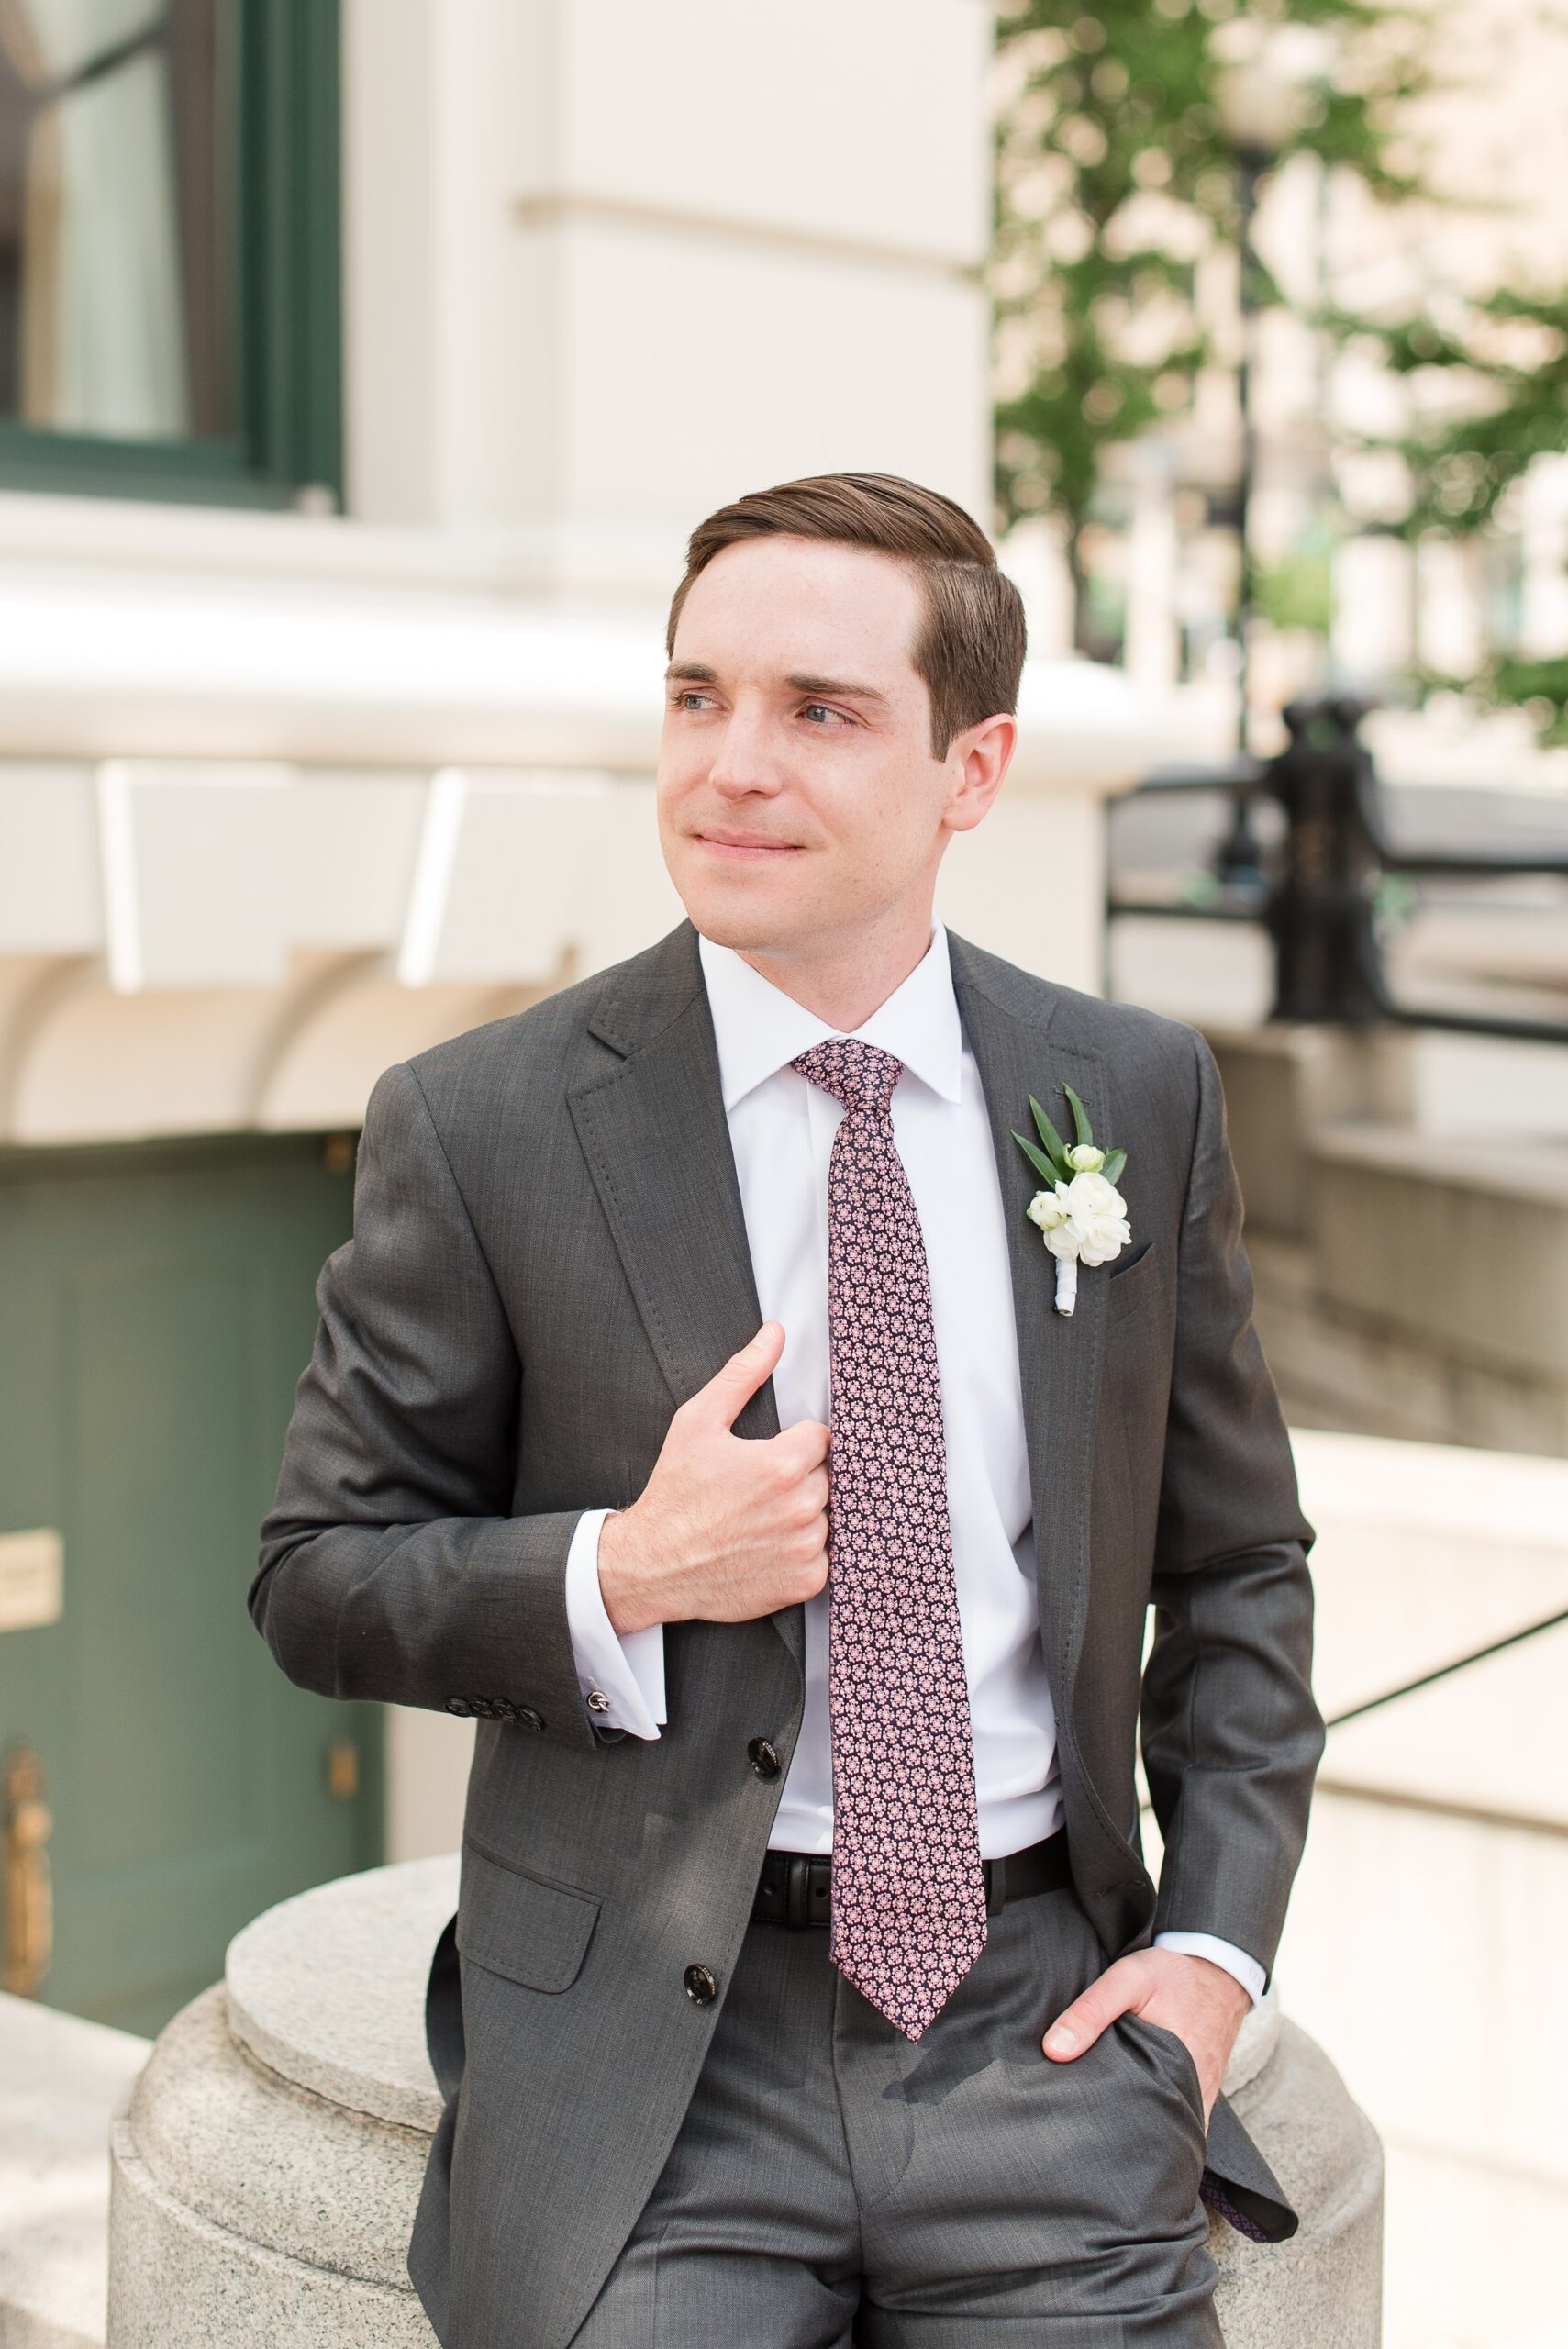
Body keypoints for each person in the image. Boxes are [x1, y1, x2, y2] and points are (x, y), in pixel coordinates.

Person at [252, 471, 1324, 2348]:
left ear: (970, 771)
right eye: (697, 696)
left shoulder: (1129, 1094)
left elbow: (1238, 1567)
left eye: (820, 711)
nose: (731, 762)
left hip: (1040, 2028)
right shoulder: (484, 1120)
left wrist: (1213, 1952)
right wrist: (626, 1566)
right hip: (654, 2057)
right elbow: (319, 1575)